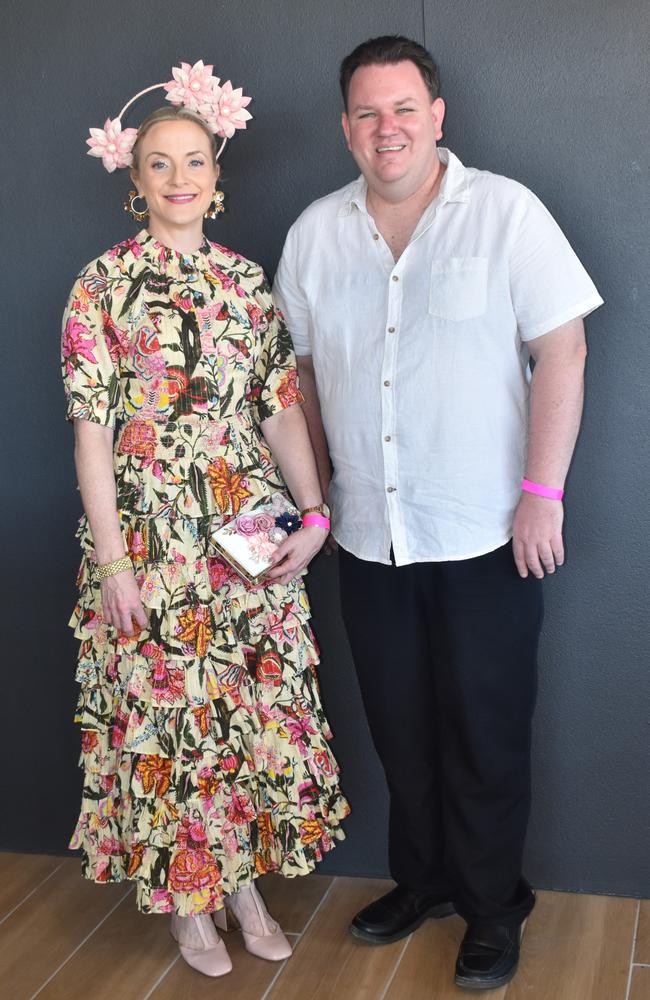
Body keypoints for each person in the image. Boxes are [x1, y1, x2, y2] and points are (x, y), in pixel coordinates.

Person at [274, 35, 602, 991]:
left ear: (437, 114)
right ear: (346, 128)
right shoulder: (313, 235)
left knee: (486, 731)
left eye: (404, 108)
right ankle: (425, 883)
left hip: (487, 535)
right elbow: (294, 380)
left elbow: (564, 355)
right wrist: (315, 505)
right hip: (368, 535)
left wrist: (542, 496)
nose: (388, 129)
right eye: (369, 113)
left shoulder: (505, 213)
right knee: (400, 728)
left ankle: (496, 908)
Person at [61, 60, 348, 979]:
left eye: (195, 161)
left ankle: (242, 885)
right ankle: (190, 903)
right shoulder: (101, 286)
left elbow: (280, 407)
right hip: (149, 537)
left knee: (243, 708)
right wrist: (112, 564)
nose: (179, 178)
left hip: (244, 528)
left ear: (217, 179)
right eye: (158, 162)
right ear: (134, 178)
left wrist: (312, 511)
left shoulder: (244, 281)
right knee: (169, 715)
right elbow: (93, 437)